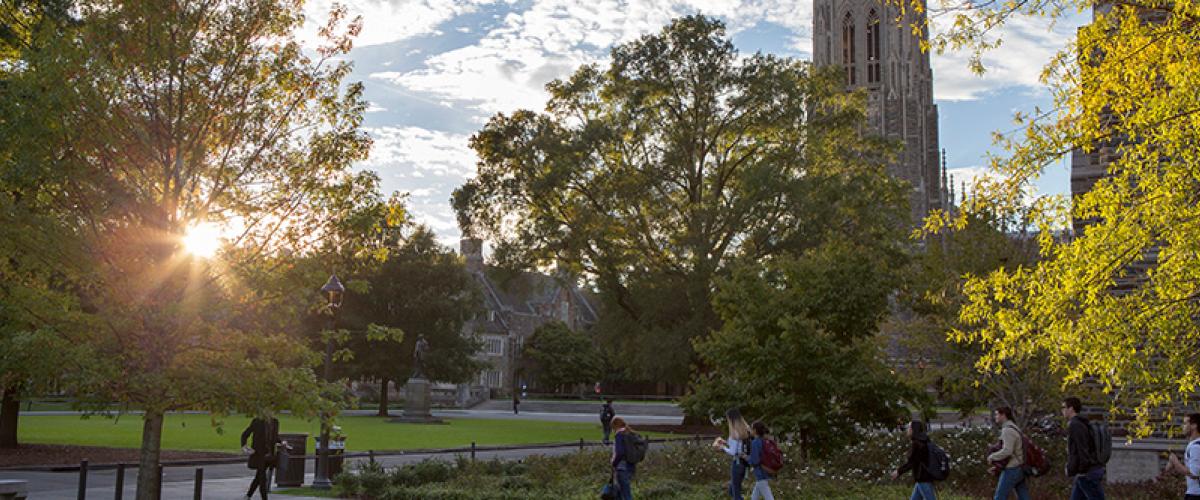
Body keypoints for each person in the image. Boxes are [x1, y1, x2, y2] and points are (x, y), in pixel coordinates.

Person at [1063, 397, 1105, 499]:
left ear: (1071, 409)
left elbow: (1081, 450)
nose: (1062, 410)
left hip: (1087, 474)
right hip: (1084, 473)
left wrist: (1076, 469)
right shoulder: (1082, 423)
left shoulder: (1075, 425)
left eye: (1064, 407)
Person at [988, 406, 1030, 500]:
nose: (995, 417)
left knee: (1000, 496)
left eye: (997, 414)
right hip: (1020, 466)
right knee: (1023, 496)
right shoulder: (1014, 427)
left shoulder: (1007, 430)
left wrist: (992, 457)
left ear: (1003, 415)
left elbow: (1008, 451)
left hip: (1012, 468)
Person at [241, 415, 284, 500]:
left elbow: (274, 437)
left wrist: (282, 442)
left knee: (258, 477)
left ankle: (248, 496)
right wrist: (244, 446)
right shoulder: (257, 421)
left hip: (270, 456)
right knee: (262, 478)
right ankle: (264, 498)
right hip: (259, 454)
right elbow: (245, 434)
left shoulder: (275, 422)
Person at [891, 420, 936, 500]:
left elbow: (912, 462)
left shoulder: (918, 444)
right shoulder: (925, 441)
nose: (907, 429)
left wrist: (898, 471)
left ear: (913, 429)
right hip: (923, 478)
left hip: (923, 478)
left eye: (909, 427)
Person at [712, 408, 752, 500]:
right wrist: (726, 443)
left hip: (737, 463)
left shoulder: (734, 433)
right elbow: (739, 447)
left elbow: (733, 452)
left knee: (735, 491)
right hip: (744, 463)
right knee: (732, 489)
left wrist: (722, 447)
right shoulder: (746, 430)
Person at [1163, 412, 1200, 500]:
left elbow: (1194, 474)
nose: (1183, 427)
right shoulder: (1193, 445)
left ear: (1194, 425)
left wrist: (1175, 462)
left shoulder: (1196, 447)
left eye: (1185, 423)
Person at [745, 420, 775, 500]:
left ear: (754, 430)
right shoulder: (765, 441)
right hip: (766, 471)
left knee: (769, 497)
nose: (749, 430)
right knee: (754, 497)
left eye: (751, 428)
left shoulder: (755, 442)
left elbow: (755, 461)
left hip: (760, 473)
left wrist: (746, 458)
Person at [611, 417, 636, 500]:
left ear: (615, 426)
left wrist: (614, 463)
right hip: (631, 465)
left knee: (625, 493)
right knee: (622, 492)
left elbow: (620, 452)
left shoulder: (619, 435)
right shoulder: (629, 433)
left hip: (621, 466)